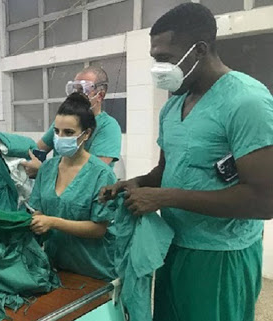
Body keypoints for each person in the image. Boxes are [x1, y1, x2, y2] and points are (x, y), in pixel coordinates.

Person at [100, 4, 273, 321]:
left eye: (164, 58)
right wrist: (136, 184)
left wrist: (165, 198)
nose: (158, 68)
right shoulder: (174, 105)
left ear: (201, 50)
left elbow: (265, 201)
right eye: (155, 59)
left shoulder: (247, 102)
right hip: (173, 245)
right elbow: (166, 171)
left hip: (221, 256)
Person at [28, 93, 117, 280]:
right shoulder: (47, 169)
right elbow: (38, 210)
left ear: (87, 134)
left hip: (93, 270)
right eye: (57, 132)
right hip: (56, 266)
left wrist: (52, 222)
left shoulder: (101, 174)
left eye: (68, 133)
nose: (60, 138)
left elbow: (99, 228)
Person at [22, 66, 122, 177]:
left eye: (83, 90)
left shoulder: (108, 127)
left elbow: (92, 173)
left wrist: (44, 172)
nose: (77, 94)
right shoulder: (64, 121)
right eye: (74, 89)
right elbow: (37, 149)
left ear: (100, 95)